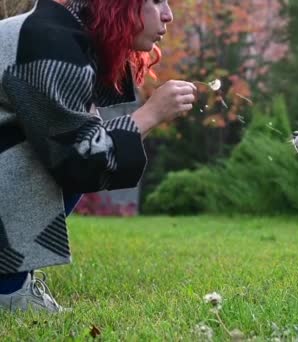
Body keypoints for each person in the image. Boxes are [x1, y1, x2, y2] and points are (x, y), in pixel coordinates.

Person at [0, 0, 196, 312]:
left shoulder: (63, 36)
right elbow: (79, 160)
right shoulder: (50, 42)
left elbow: (96, 146)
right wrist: (150, 114)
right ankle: (8, 288)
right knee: (64, 151)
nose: (168, 15)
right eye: (157, 1)